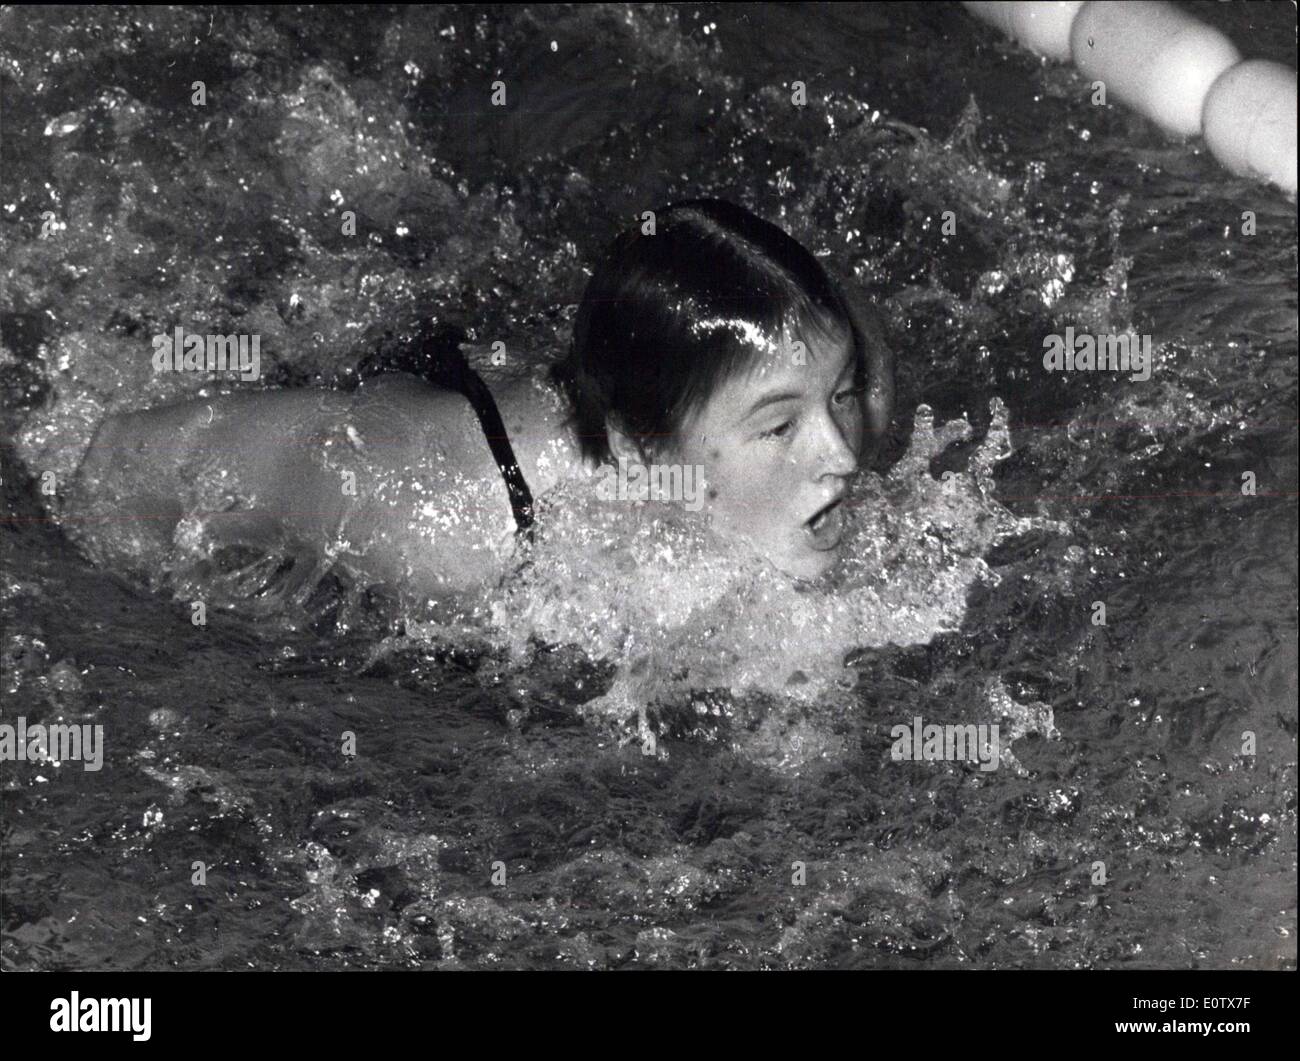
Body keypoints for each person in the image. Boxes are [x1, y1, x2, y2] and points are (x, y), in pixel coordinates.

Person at [68, 199, 893, 602]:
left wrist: (830, 393)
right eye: (780, 425)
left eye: (843, 395)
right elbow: (118, 458)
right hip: (414, 407)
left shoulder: (842, 388)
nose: (844, 454)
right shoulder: (443, 523)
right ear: (643, 451)